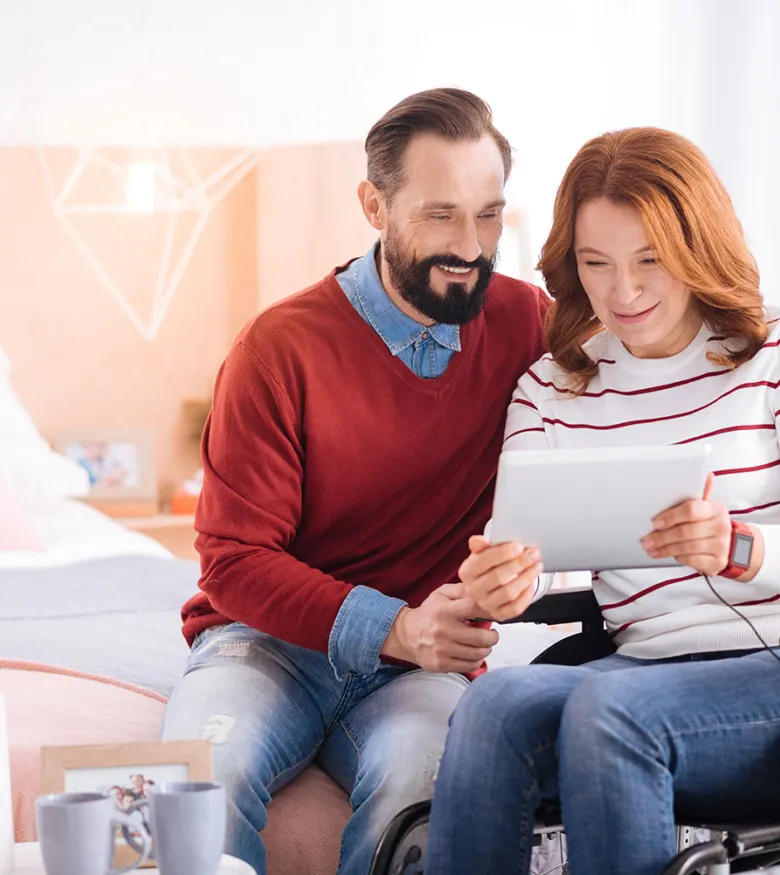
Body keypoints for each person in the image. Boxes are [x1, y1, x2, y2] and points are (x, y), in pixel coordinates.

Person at [161, 87, 549, 875]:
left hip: (423, 668)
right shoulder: (278, 349)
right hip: (265, 645)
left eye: (488, 215)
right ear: (374, 204)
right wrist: (396, 626)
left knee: (428, 790)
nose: (471, 245)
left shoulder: (530, 323)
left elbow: (651, 358)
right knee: (195, 784)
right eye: (440, 214)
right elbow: (231, 560)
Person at [425, 126, 780, 875]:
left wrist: (736, 546)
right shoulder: (554, 388)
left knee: (607, 712)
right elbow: (532, 552)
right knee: (493, 708)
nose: (623, 292)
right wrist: (503, 586)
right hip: (642, 668)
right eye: (597, 264)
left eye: (650, 261)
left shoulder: (770, 359)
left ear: (698, 245)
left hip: (765, 668)